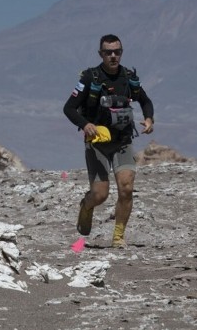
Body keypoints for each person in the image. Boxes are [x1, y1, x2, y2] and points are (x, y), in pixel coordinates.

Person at [62, 34, 154, 248]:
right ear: (100, 54)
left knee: (126, 188)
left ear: (121, 52)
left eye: (117, 52)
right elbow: (69, 108)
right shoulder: (90, 79)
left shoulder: (129, 77)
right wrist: (85, 124)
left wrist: (149, 119)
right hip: (97, 144)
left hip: (123, 141)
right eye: (108, 52)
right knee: (100, 194)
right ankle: (86, 205)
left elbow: (145, 100)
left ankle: (118, 237)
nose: (113, 56)